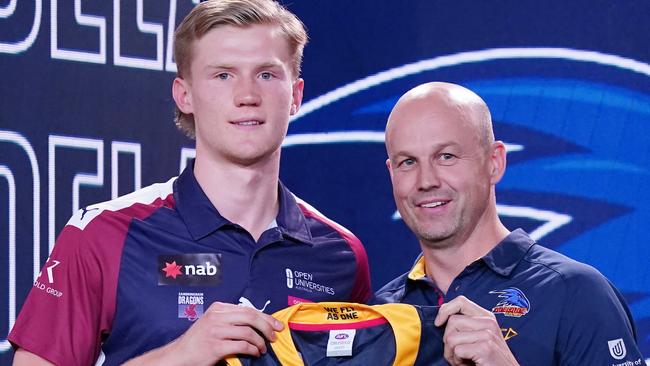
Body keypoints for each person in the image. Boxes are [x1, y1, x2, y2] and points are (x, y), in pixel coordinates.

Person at [9, 1, 371, 365]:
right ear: (185, 95)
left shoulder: (340, 255)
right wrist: (183, 354)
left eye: (266, 74)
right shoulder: (105, 233)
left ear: (295, 95)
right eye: (223, 75)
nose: (247, 96)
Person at [375, 82, 644, 365]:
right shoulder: (381, 315)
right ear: (392, 173)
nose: (426, 181)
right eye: (407, 162)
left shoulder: (576, 293)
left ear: (494, 162)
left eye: (446, 157)